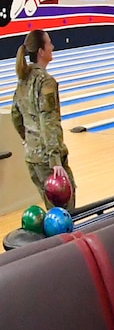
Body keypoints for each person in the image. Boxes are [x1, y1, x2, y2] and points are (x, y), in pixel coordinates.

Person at [11, 29, 72, 206]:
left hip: (32, 157)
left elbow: (16, 115)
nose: (52, 47)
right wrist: (55, 160)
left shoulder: (24, 78)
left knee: (50, 208)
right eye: (49, 44)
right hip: (48, 159)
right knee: (65, 212)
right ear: (41, 52)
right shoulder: (46, 82)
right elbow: (49, 121)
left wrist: (28, 139)